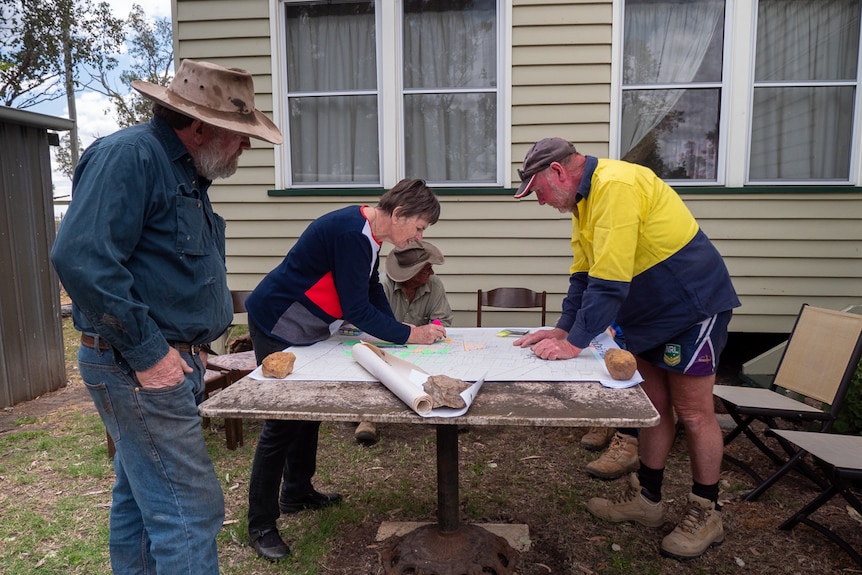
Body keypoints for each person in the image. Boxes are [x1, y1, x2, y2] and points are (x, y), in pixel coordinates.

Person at [50, 60, 283, 574]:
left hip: (158, 366)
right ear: (201, 125)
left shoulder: (186, 172)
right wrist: (152, 355)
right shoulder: (130, 156)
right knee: (191, 511)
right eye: (241, 134)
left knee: (139, 500)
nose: (246, 146)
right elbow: (81, 258)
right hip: (139, 368)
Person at [512, 137, 740, 560]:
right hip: (646, 314)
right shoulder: (584, 204)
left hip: (690, 305)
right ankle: (648, 501)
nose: (541, 202)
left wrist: (576, 342)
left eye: (538, 191)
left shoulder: (615, 185)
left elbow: (610, 281)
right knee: (651, 406)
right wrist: (562, 330)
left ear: (558, 173)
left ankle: (707, 511)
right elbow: (583, 275)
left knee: (693, 411)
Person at [243, 179, 447, 561]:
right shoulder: (351, 234)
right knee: (282, 422)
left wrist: (399, 335)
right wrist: (409, 333)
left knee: (309, 411)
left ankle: (297, 491)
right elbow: (356, 310)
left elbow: (369, 290)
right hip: (277, 322)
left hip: (307, 326)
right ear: (399, 214)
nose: (419, 236)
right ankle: (261, 525)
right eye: (419, 227)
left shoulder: (369, 235)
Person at [351, 240, 454, 443]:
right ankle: (367, 418)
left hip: (424, 350)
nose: (431, 273)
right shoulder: (381, 286)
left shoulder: (435, 285)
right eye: (426, 269)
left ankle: (447, 412)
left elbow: (442, 320)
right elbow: (367, 325)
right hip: (384, 347)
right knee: (371, 368)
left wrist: (435, 328)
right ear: (410, 273)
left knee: (447, 364)